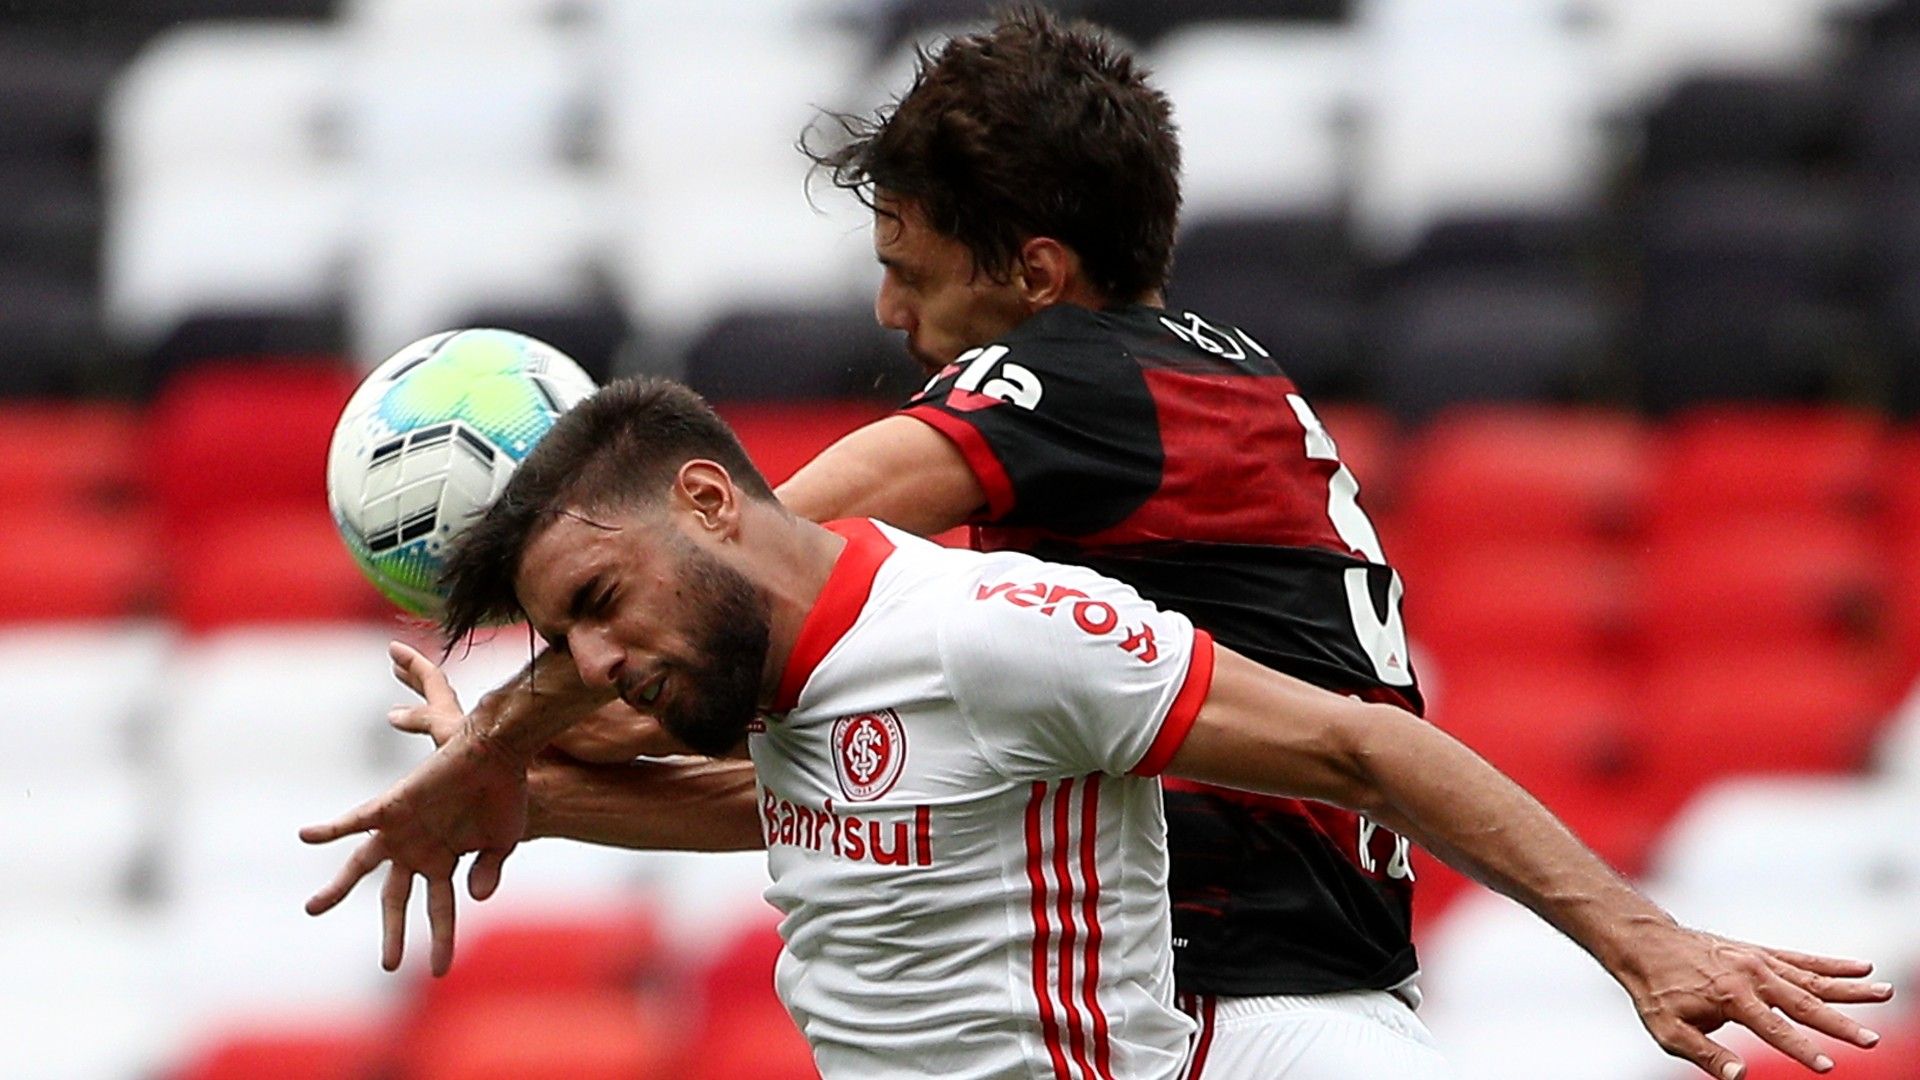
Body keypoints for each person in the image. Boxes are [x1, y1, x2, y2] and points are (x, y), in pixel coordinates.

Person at [386, 11, 1464, 1073]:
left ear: (1037, 277)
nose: (888, 308)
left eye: (912, 268)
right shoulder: (1192, 393)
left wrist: (502, 733)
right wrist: (537, 793)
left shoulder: (1064, 385)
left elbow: (740, 560)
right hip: (1289, 985)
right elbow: (840, 791)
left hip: (1248, 1004)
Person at [303, 377, 1891, 1080]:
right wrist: (528, 790)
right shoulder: (786, 688)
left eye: (596, 601)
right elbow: (806, 807)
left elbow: (1362, 749)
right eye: (559, 640)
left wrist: (1643, 942)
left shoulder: (997, 636)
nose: (591, 661)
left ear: (710, 499)